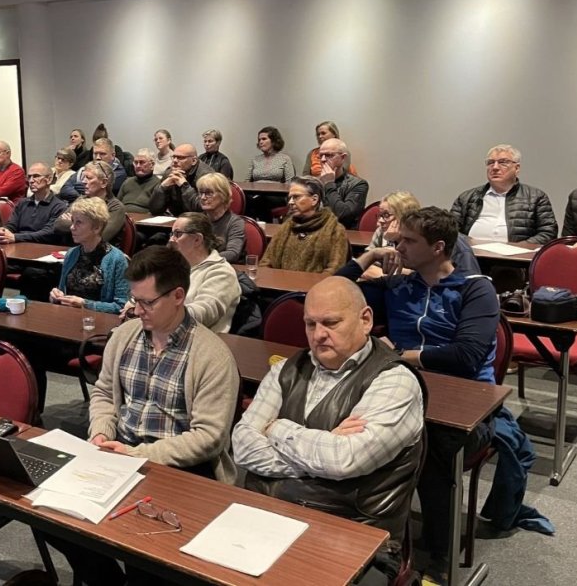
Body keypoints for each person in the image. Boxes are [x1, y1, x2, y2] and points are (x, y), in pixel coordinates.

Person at [337, 207, 551, 584]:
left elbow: (465, 355)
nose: (397, 246)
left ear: (438, 247)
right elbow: (331, 296)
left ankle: (440, 556)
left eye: (408, 241)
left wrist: (399, 355)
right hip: (400, 391)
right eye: (397, 240)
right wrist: (367, 258)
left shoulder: (475, 289)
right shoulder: (399, 286)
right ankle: (357, 535)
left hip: (467, 407)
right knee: (345, 426)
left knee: (430, 446)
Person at [47, 245, 239, 586]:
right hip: (120, 453)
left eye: (147, 303)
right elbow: (104, 394)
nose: (137, 310)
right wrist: (101, 434)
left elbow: (209, 438)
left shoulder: (211, 355)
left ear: (178, 296)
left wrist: (136, 454)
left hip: (179, 469)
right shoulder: (125, 336)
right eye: (135, 300)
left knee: (141, 550)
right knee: (51, 514)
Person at [232, 277, 424, 585]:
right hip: (269, 515)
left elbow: (343, 461)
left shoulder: (395, 381)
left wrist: (276, 428)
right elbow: (242, 447)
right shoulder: (286, 370)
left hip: (353, 533)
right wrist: (324, 449)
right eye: (310, 324)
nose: (318, 335)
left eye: (331, 323)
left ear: (365, 320)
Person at [450, 145, 557, 244]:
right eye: (491, 162)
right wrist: (467, 245)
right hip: (471, 254)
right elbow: (450, 230)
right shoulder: (467, 197)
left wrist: (518, 248)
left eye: (503, 162)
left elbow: (548, 233)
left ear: (517, 168)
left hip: (517, 257)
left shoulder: (536, 197)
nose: (495, 167)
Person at [362, 191, 480, 280]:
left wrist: (395, 275)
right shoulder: (382, 232)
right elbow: (365, 268)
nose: (380, 221)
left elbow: (466, 280)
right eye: (379, 215)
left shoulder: (452, 240)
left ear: (402, 215)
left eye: (386, 215)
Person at [49, 197, 129, 315]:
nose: (72, 227)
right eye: (72, 221)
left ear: (97, 227)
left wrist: (85, 304)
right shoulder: (71, 254)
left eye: (79, 222)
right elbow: (62, 291)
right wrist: (56, 296)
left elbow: (122, 306)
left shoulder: (117, 259)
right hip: (69, 316)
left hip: (99, 321)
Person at [165, 213, 239, 332]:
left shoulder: (222, 273)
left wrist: (162, 312)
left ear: (197, 239)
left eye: (178, 234)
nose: (171, 239)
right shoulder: (171, 266)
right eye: (171, 234)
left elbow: (204, 313)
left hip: (198, 338)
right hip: (165, 332)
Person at [260, 176, 349, 273]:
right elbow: (266, 262)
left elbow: (334, 270)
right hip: (279, 282)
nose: (290, 202)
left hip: (318, 283)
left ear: (314, 200)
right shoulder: (286, 227)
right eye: (290, 198)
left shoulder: (335, 230)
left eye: (296, 197)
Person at [0, 163, 67, 245]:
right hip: (18, 244)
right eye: (29, 177)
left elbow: (48, 233)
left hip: (43, 247)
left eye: (36, 176)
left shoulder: (59, 206)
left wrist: (16, 237)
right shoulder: (22, 203)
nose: (31, 181)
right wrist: (3, 231)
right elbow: (12, 226)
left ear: (49, 179)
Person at [53, 161, 125, 246]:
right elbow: (58, 225)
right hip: (70, 249)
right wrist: (89, 225)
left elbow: (101, 237)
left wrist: (72, 221)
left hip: (100, 252)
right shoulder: (81, 199)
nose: (83, 181)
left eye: (89, 178)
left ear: (104, 183)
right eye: (83, 177)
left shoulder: (115, 207)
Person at [315, 138, 368, 228]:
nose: (323, 160)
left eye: (329, 155)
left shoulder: (358, 184)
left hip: (342, 232)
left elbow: (343, 215)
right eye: (321, 156)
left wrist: (329, 184)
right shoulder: (314, 182)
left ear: (342, 158)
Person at [148, 143, 209, 216]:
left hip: (198, 219)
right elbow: (154, 209)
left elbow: (202, 209)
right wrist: (162, 188)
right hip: (175, 217)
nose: (175, 161)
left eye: (180, 158)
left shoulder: (206, 176)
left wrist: (184, 186)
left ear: (194, 161)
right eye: (173, 157)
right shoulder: (170, 173)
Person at [196, 172, 245, 263]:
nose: (203, 197)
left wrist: (202, 258)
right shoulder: (197, 220)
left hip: (225, 267)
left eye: (209, 193)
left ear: (223, 195)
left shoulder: (235, 223)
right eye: (201, 193)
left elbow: (232, 254)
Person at [116, 148, 161, 213]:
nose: (138, 166)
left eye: (142, 162)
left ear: (152, 165)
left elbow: (157, 210)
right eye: (136, 162)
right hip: (123, 216)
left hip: (145, 217)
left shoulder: (157, 184)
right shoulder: (127, 182)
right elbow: (117, 204)